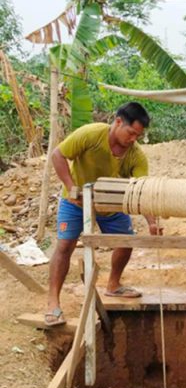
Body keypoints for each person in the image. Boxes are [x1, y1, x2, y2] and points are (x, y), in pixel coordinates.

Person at [45, 101, 161, 327]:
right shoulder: (90, 134)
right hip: (76, 202)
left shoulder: (136, 156)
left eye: (138, 135)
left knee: (126, 242)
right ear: (118, 122)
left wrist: (152, 223)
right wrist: (71, 187)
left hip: (111, 204)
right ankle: (52, 303)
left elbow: (142, 191)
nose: (133, 139)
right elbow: (58, 155)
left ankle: (113, 285)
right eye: (131, 133)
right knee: (65, 246)